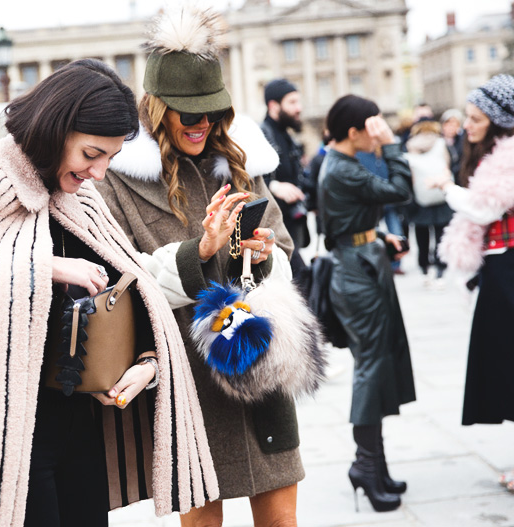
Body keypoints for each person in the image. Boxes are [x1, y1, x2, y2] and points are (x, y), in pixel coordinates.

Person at [0, 59, 218, 527]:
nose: (98, 172)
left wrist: (146, 362)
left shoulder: (81, 198)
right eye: (91, 154)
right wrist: (38, 266)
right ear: (56, 130)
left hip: (77, 425)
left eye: (109, 159)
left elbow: (129, 290)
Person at [100, 8, 305, 526]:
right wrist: (202, 253)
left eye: (211, 111)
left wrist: (264, 256)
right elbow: (119, 278)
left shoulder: (241, 164)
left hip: (256, 358)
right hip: (184, 374)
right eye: (188, 113)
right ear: (157, 107)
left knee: (281, 519)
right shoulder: (117, 180)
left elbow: (283, 252)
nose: (202, 124)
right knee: (202, 521)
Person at [318, 95, 416, 512]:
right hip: (357, 276)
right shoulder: (341, 168)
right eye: (372, 127)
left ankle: (375, 467)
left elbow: (356, 214)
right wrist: (391, 145)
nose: (377, 133)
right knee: (372, 368)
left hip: (363, 262)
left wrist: (377, 237)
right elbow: (400, 190)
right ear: (354, 131)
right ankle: (365, 466)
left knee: (378, 363)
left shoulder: (345, 162)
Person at [433, 74, 514, 496]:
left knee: (513, 364)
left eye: (475, 117)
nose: (467, 123)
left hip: (513, 270)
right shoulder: (493, 153)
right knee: (508, 365)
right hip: (503, 270)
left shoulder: (513, 155)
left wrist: (447, 188)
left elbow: (485, 208)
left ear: (498, 119)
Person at [261, 78, 310, 276]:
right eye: (292, 102)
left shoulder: (287, 136)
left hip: (290, 227)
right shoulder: (261, 134)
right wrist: (273, 185)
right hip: (274, 232)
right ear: (273, 105)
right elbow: (246, 180)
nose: (298, 108)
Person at [404, 119, 453, 286]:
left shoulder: (410, 145)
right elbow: (448, 164)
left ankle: (424, 268)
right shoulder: (440, 143)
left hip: (420, 196)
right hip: (439, 193)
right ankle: (440, 270)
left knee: (421, 235)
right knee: (440, 235)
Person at [441, 108, 465, 182]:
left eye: (454, 124)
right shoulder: (439, 142)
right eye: (448, 124)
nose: (451, 127)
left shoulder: (462, 140)